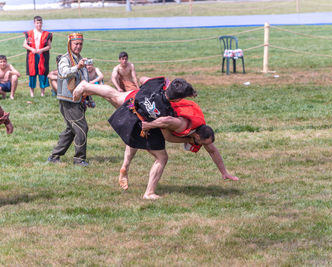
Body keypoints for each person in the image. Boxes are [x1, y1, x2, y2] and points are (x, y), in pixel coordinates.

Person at [72, 77, 239, 198]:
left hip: (140, 98)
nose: (201, 145)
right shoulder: (179, 122)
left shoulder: (161, 84)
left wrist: (224, 172)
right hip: (143, 116)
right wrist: (156, 128)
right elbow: (166, 131)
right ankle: (149, 192)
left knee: (115, 96)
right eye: (200, 143)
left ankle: (86, 86)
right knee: (162, 157)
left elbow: (145, 78)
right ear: (195, 135)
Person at [47, 33, 90, 167]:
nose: (78, 46)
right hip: (68, 100)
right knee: (82, 128)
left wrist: (87, 97)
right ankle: (79, 159)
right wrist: (78, 67)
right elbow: (64, 73)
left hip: (78, 100)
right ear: (70, 44)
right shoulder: (65, 59)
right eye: (76, 44)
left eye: (80, 44)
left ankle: (54, 156)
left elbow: (84, 80)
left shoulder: (79, 59)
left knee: (71, 130)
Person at [23, 16, 52, 97]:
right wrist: (31, 49)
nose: (39, 24)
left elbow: (49, 46)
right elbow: (24, 44)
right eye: (37, 23)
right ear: (34, 23)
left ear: (42, 23)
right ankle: (32, 93)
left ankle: (42, 93)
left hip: (43, 56)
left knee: (42, 73)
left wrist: (42, 50)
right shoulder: (30, 33)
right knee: (32, 74)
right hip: (32, 56)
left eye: (40, 23)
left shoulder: (46, 34)